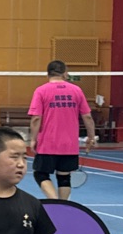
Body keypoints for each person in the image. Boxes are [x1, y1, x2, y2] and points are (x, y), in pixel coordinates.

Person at [28, 60, 97, 200]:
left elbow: (36, 118)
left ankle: (54, 200)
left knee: (40, 174)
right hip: (69, 145)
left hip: (47, 144)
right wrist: (91, 137)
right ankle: (62, 206)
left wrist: (33, 139)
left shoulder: (41, 91)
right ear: (65, 73)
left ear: (48, 74)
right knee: (64, 177)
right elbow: (88, 117)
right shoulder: (76, 90)